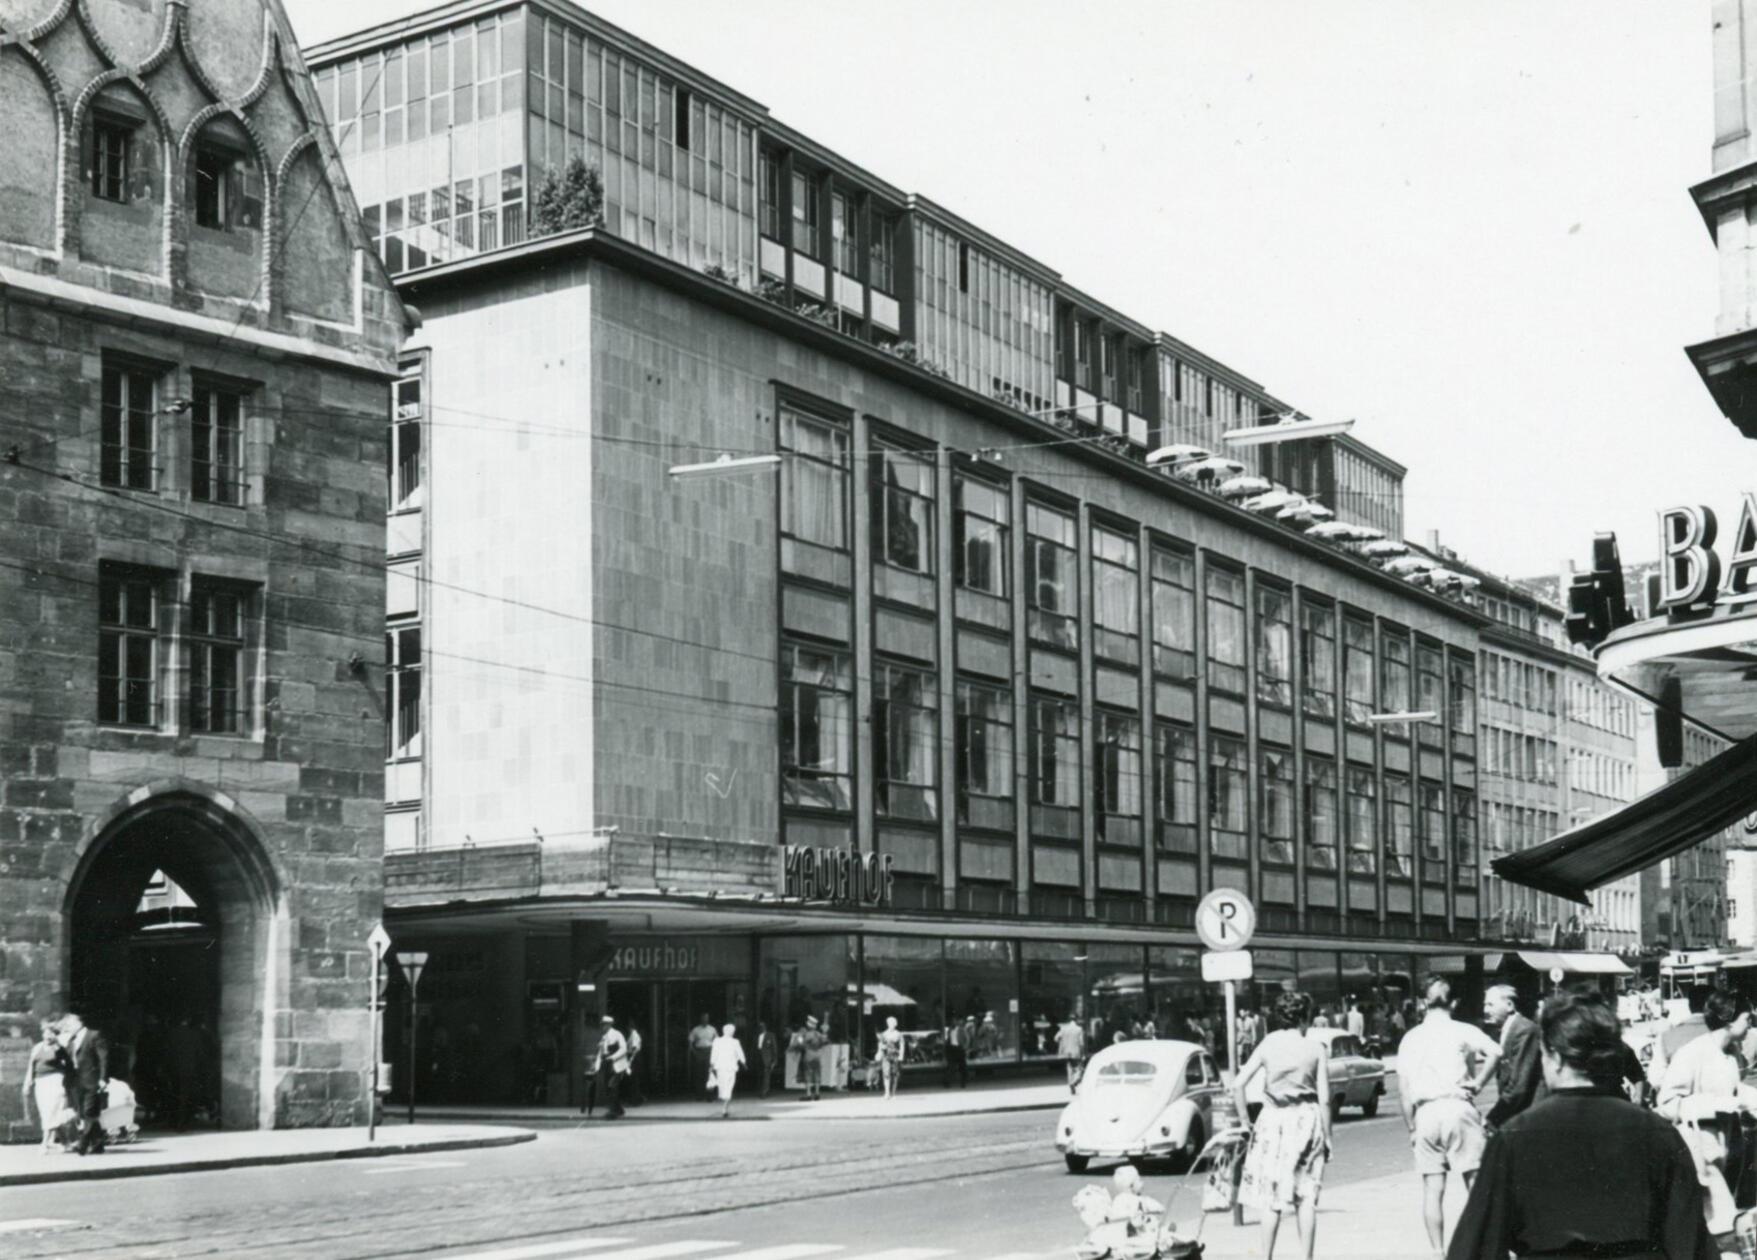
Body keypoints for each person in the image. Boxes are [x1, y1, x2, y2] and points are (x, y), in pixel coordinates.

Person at [1447, 989, 1716, 1260]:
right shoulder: (1658, 1133)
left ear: (1554, 1056)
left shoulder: (1514, 1138)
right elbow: (1689, 1242)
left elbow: (1476, 1247)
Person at [1397, 977, 1502, 1257]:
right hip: (1457, 1108)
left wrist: (1411, 1128)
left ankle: (1437, 1251)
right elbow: (1496, 1051)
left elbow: (1404, 1091)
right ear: (1454, 1003)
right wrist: (1478, 1082)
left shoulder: (1410, 1038)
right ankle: (1485, 1246)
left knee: (1433, 1189)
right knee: (1475, 1184)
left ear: (1423, 1003)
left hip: (1426, 1113)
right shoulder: (1463, 1030)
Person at [1233, 991, 1332, 1260]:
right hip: (1307, 1119)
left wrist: (1245, 1122)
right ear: (1304, 1017)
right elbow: (1324, 1098)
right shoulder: (1315, 1049)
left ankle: (1266, 1256)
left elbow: (1238, 1084)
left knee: (1271, 1198)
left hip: (1273, 1120)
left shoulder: (1267, 1044)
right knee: (1307, 1196)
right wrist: (1328, 1135)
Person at [1657, 990, 1757, 1236]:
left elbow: (1736, 1092)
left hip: (1728, 1149)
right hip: (1699, 1153)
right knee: (1714, 1224)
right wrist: (1715, 1104)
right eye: (1747, 1018)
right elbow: (1667, 1103)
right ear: (1729, 1019)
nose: (1751, 1024)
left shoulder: (1732, 1054)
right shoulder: (1693, 1053)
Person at [1482, 984, 1543, 1129]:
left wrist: (1493, 1118)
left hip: (1528, 1117)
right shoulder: (1507, 1029)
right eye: (1485, 1005)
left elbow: (1518, 1086)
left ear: (1509, 1005)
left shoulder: (1524, 1030)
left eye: (1490, 1005)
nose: (1485, 1010)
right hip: (1518, 1115)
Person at [61, 1011, 110, 1156]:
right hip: (77, 1082)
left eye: (68, 1024)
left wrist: (103, 1078)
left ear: (78, 1023)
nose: (67, 1028)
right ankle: (98, 1144)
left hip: (92, 1080)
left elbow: (104, 1058)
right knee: (84, 1113)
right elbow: (68, 1061)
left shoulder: (94, 1035)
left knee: (89, 1111)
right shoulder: (71, 1040)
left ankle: (82, 1145)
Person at [23, 1021, 73, 1154]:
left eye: (51, 1033)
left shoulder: (59, 1048)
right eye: (46, 1033)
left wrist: (64, 1079)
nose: (48, 1036)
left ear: (55, 1035)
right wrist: (27, 1082)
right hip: (40, 1082)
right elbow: (31, 1066)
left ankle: (44, 1143)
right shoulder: (37, 1047)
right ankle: (66, 1142)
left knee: (51, 1111)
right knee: (47, 1112)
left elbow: (68, 1065)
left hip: (55, 1081)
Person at [707, 1023, 745, 1119]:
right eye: (733, 1031)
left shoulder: (717, 1041)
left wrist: (711, 1065)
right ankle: (725, 1107)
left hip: (720, 1068)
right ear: (731, 1032)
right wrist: (744, 1063)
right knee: (729, 1087)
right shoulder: (735, 1042)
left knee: (723, 1087)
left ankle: (724, 1107)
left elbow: (713, 1054)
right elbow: (740, 1053)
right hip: (731, 1068)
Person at [593, 1014, 628, 1119]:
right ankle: (619, 1109)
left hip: (618, 1065)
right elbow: (600, 1053)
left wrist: (613, 1057)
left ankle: (613, 1112)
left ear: (609, 1025)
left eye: (604, 1025)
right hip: (608, 1065)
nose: (603, 1027)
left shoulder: (617, 1034)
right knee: (608, 1088)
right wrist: (597, 1067)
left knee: (612, 1086)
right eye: (602, 1025)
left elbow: (624, 1049)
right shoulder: (603, 1038)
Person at [792, 1014, 825, 1101]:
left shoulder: (806, 1034)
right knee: (817, 1073)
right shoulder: (819, 1034)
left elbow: (800, 1044)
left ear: (808, 1025)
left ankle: (808, 1094)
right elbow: (824, 1042)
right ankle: (817, 1093)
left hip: (808, 1055)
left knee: (808, 1074)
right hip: (817, 1056)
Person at [688, 1014, 717, 1101]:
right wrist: (694, 1052)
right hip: (699, 1052)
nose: (705, 1020)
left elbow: (717, 1041)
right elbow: (690, 1041)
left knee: (709, 1074)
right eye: (703, 1018)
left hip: (709, 1051)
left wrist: (715, 1053)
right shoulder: (696, 1029)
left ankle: (710, 1096)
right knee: (699, 1074)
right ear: (701, 1019)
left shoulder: (712, 1029)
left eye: (707, 1018)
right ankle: (699, 1095)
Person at [876, 1016, 904, 1099]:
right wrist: (879, 1052)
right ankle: (887, 1092)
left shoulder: (898, 1034)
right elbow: (880, 1044)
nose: (890, 1025)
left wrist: (901, 1055)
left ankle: (894, 1093)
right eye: (889, 1023)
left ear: (895, 1024)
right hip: (886, 1056)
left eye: (892, 1023)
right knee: (886, 1073)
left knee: (895, 1074)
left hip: (895, 1056)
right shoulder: (884, 1034)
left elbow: (902, 1045)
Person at [1056, 1014, 1086, 1093]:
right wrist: (1083, 1054)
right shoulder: (1079, 1029)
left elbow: (1056, 1038)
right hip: (1076, 1052)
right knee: (1079, 1069)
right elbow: (1081, 1043)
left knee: (1069, 1069)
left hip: (1066, 1052)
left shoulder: (1064, 1028)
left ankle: (1071, 1084)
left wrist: (1063, 1042)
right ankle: (1075, 1082)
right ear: (1076, 1020)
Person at [622, 1024, 645, 1107]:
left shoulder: (634, 1035)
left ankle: (635, 1100)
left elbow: (634, 1048)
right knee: (633, 1079)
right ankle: (636, 1099)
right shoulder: (632, 1035)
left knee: (633, 1079)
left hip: (634, 1058)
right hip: (633, 1058)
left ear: (630, 1027)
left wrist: (628, 1052)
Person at [944, 1015, 968, 1089]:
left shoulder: (961, 1029)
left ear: (956, 1022)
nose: (953, 1023)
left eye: (954, 1021)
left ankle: (963, 1082)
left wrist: (965, 1047)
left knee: (962, 1067)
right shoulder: (949, 1030)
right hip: (952, 1049)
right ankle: (947, 1082)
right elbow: (947, 1039)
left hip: (959, 1048)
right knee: (951, 1067)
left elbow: (967, 1038)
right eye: (952, 1022)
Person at [756, 1021, 779, 1099]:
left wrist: (774, 1060)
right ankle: (760, 1090)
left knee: (766, 1075)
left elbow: (774, 1048)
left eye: (762, 1026)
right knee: (759, 1075)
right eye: (759, 1026)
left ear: (765, 1027)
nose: (761, 1028)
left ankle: (765, 1092)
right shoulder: (756, 1035)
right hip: (758, 1058)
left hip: (767, 1058)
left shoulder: (770, 1035)